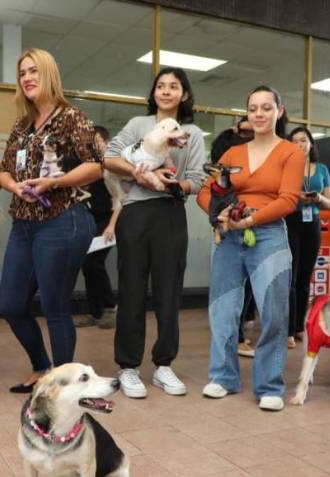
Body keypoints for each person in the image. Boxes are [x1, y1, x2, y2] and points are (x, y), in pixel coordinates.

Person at [0, 48, 101, 393]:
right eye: (22, 73)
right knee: (10, 304)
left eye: (34, 71)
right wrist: (14, 186)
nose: (27, 78)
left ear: (49, 75)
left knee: (55, 305)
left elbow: (96, 166)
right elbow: (3, 170)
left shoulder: (72, 117)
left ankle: (62, 385)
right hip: (24, 222)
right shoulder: (22, 124)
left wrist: (53, 182)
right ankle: (42, 367)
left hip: (62, 219)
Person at [197, 85, 302, 410]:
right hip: (229, 234)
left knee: (273, 311)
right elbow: (205, 191)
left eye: (266, 108)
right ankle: (223, 377)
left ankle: (269, 385)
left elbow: (288, 200)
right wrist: (217, 213)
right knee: (223, 309)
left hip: (268, 234)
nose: (259, 114)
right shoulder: (233, 154)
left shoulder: (291, 152)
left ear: (279, 112)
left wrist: (250, 220)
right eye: (253, 108)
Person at [104, 67, 206, 399]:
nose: (166, 91)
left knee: (168, 292)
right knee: (131, 289)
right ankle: (128, 366)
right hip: (135, 213)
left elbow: (197, 179)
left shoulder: (192, 133)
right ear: (154, 92)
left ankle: (164, 365)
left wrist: (174, 185)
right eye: (160, 85)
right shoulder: (138, 124)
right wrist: (139, 173)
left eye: (174, 86)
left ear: (184, 94)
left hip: (170, 213)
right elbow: (109, 157)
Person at [211, 115, 257, 358]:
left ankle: (237, 333)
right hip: (228, 230)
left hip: (250, 227)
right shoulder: (228, 147)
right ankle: (235, 338)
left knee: (245, 287)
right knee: (231, 290)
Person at [286, 126, 330, 348]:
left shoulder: (322, 169)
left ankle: (298, 327)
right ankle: (287, 329)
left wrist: (317, 199)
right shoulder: (286, 167)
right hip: (291, 221)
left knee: (305, 278)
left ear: (311, 143)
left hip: (312, 222)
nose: (299, 144)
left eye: (303, 140)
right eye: (295, 141)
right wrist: (297, 196)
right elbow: (280, 195)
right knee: (291, 277)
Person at [74, 125, 117, 330]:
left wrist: (112, 225)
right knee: (87, 265)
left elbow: (121, 199)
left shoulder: (113, 166)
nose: (92, 145)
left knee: (94, 263)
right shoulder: (87, 165)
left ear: (106, 143)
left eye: (96, 141)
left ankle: (109, 308)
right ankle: (95, 312)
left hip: (108, 220)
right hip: (90, 219)